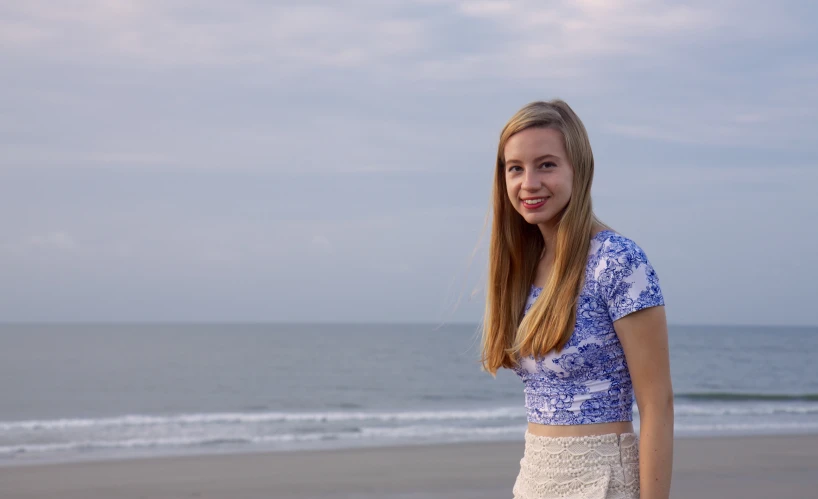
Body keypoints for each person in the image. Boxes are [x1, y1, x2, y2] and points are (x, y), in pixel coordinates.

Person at [480, 99, 674, 499]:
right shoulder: (521, 268)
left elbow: (657, 404)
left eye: (546, 164)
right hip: (533, 481)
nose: (528, 182)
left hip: (601, 483)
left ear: (579, 169)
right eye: (515, 168)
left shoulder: (617, 261)